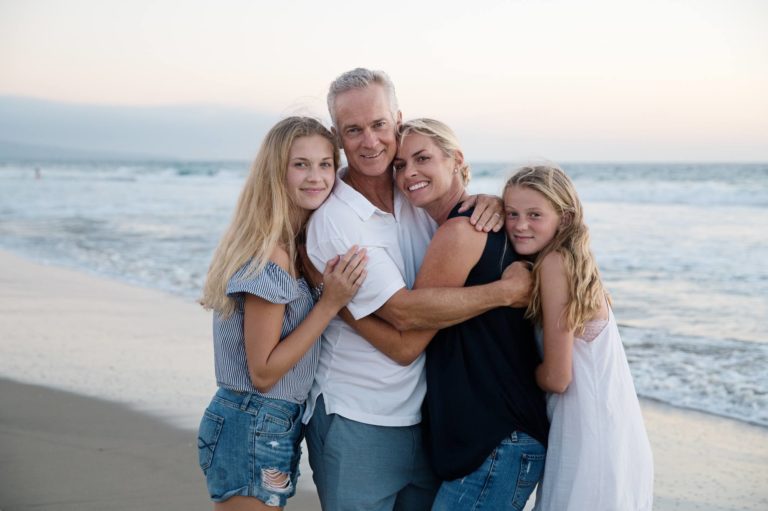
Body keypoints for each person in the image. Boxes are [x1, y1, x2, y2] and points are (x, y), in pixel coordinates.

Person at [304, 70, 532, 511]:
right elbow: (405, 331)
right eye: (353, 130)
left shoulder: (414, 195)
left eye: (378, 124)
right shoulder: (337, 221)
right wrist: (504, 293)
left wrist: (490, 201)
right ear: (337, 136)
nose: (370, 141)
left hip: (426, 419)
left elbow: (452, 205)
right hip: (359, 418)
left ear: (397, 120)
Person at [344, 119, 550, 510]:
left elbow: (408, 328)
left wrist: (338, 304)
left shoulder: (461, 230)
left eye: (423, 159)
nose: (409, 173)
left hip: (496, 440)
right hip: (498, 438)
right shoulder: (476, 219)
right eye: (400, 165)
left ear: (456, 160)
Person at [195, 116, 368, 510]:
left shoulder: (291, 247)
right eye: (300, 164)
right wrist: (329, 303)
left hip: (268, 421)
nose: (316, 177)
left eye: (325, 164)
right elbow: (264, 371)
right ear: (276, 172)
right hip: (252, 419)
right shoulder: (272, 254)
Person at [503, 164, 654, 511]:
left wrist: (512, 372)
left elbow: (557, 377)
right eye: (512, 213)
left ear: (566, 217)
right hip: (611, 434)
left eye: (534, 214)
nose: (520, 224)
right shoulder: (573, 260)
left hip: (589, 440)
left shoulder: (555, 263)